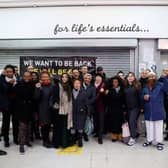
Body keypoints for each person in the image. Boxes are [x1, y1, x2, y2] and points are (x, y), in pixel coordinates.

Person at [142, 72, 168, 150]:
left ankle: (159, 142)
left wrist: (164, 78)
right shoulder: (145, 86)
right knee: (149, 127)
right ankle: (149, 140)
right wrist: (144, 97)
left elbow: (167, 88)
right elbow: (141, 95)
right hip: (148, 110)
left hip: (158, 110)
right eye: (150, 76)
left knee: (158, 127)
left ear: (156, 77)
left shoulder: (161, 85)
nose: (151, 78)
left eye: (153, 76)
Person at [15, 72, 34, 154]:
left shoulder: (33, 85)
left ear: (30, 77)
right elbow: (14, 96)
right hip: (21, 108)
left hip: (30, 108)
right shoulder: (18, 84)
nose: (27, 77)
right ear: (23, 76)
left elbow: (35, 96)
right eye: (25, 76)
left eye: (28, 76)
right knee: (22, 127)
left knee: (29, 126)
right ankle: (21, 144)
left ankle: (27, 141)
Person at [52, 73, 73, 149]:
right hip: (59, 110)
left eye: (66, 77)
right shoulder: (57, 86)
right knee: (58, 127)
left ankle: (65, 143)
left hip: (67, 110)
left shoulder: (69, 86)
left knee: (65, 127)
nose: (64, 78)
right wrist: (59, 104)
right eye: (63, 77)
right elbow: (54, 98)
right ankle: (57, 143)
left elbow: (70, 99)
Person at [0, 65, 19, 147]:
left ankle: (15, 139)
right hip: (6, 105)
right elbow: (4, 90)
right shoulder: (1, 80)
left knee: (15, 123)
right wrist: (9, 84)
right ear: (5, 72)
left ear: (13, 72)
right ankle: (6, 140)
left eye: (10, 71)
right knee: (6, 123)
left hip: (15, 105)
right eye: (7, 71)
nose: (9, 73)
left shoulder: (17, 80)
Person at [34, 72, 53, 148]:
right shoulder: (39, 86)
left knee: (48, 125)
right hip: (42, 109)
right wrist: (37, 88)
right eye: (43, 77)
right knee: (44, 126)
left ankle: (48, 139)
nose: (45, 78)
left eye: (46, 77)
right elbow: (36, 97)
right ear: (41, 78)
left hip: (50, 109)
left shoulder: (52, 86)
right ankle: (45, 141)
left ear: (49, 77)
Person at [125, 72, 141, 146]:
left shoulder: (137, 86)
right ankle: (135, 133)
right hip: (128, 108)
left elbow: (140, 97)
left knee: (132, 121)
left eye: (132, 76)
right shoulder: (125, 86)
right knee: (131, 122)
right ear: (127, 78)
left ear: (134, 78)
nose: (130, 77)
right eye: (129, 76)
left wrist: (142, 107)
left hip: (135, 107)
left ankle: (133, 138)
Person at [106, 76, 125, 142]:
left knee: (120, 121)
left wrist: (124, 108)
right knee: (113, 122)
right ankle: (114, 135)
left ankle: (120, 134)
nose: (115, 83)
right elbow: (107, 101)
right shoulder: (109, 90)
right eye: (113, 82)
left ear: (119, 82)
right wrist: (106, 94)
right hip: (112, 108)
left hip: (120, 108)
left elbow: (124, 99)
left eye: (116, 82)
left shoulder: (122, 89)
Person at [71, 79, 88, 147]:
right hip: (72, 112)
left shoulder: (84, 92)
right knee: (73, 127)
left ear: (80, 85)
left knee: (80, 127)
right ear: (73, 84)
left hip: (81, 112)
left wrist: (86, 111)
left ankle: (80, 140)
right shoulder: (70, 92)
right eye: (75, 83)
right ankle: (73, 140)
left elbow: (86, 103)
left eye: (78, 83)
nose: (77, 85)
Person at [82, 73, 96, 141]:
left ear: (90, 80)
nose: (87, 79)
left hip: (88, 108)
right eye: (86, 78)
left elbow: (93, 98)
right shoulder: (79, 85)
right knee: (80, 121)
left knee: (86, 122)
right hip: (79, 107)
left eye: (88, 78)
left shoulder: (93, 88)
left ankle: (85, 134)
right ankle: (79, 135)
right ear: (83, 78)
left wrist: (86, 103)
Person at [94, 74, 106, 144]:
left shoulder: (103, 85)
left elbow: (107, 96)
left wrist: (104, 92)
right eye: (97, 77)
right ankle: (97, 133)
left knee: (101, 122)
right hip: (93, 107)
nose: (98, 79)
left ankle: (100, 137)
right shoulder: (93, 85)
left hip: (101, 107)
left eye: (99, 78)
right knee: (96, 120)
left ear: (101, 79)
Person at [31, 72, 41, 141]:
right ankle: (31, 135)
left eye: (35, 76)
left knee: (37, 121)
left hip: (38, 105)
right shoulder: (29, 83)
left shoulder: (39, 83)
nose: (34, 77)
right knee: (32, 121)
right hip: (31, 106)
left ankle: (37, 134)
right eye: (32, 75)